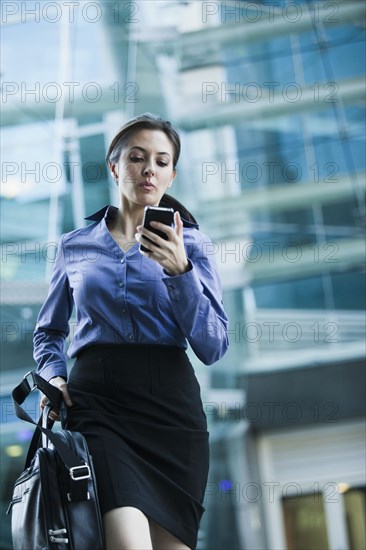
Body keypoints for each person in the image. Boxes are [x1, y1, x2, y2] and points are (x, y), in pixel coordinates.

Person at [34, 113, 229, 550]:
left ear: (172, 174)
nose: (149, 169)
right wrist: (54, 375)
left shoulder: (193, 244)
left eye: (161, 162)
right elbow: (48, 332)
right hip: (98, 404)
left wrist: (181, 272)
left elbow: (214, 345)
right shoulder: (74, 246)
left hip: (171, 411)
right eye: (138, 158)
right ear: (114, 167)